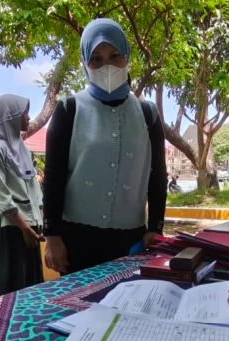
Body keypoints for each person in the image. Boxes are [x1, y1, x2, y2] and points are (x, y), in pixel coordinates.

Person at [43, 18, 167, 274]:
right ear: (85, 63)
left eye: (114, 55)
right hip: (76, 239)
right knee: (78, 308)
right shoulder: (69, 109)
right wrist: (51, 235)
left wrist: (156, 227)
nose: (107, 65)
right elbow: (53, 177)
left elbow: (158, 176)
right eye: (96, 59)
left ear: (127, 57)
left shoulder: (147, 114)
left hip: (131, 240)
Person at [0, 94, 44, 297]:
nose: (27, 117)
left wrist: (37, 221)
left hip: (27, 228)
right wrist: (24, 226)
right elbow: (2, 196)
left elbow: (32, 190)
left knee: (29, 289)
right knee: (11, 289)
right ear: (10, 116)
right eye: (23, 113)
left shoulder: (21, 147)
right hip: (12, 229)